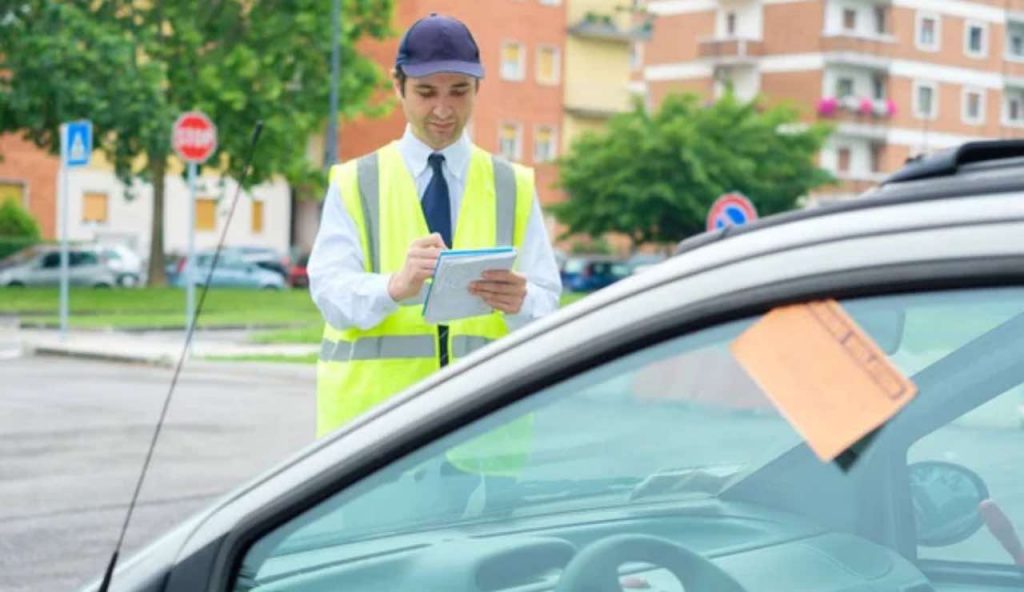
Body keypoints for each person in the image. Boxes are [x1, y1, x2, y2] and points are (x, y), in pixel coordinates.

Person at [308, 13, 562, 439]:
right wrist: (393, 286)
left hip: (484, 431)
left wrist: (522, 301)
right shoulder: (355, 182)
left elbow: (547, 306)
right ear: (398, 86)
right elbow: (330, 294)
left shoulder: (513, 186)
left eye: (459, 91)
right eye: (426, 92)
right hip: (374, 438)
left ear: (477, 88)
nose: (443, 110)